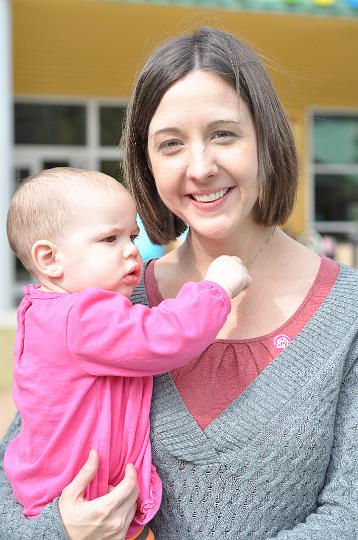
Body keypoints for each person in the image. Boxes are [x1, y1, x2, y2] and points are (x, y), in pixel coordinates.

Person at [1, 25, 358, 539]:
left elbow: (349, 514)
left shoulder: (347, 312)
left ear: (267, 139)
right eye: (171, 144)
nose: (200, 167)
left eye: (223, 134)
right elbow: (17, 480)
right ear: (146, 163)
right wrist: (63, 530)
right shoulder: (109, 303)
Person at [2, 166, 250, 539]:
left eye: (132, 236)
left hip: (67, 497)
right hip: (78, 503)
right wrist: (216, 288)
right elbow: (162, 336)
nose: (131, 251)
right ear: (50, 259)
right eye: (109, 239)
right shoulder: (81, 317)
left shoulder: (46, 311)